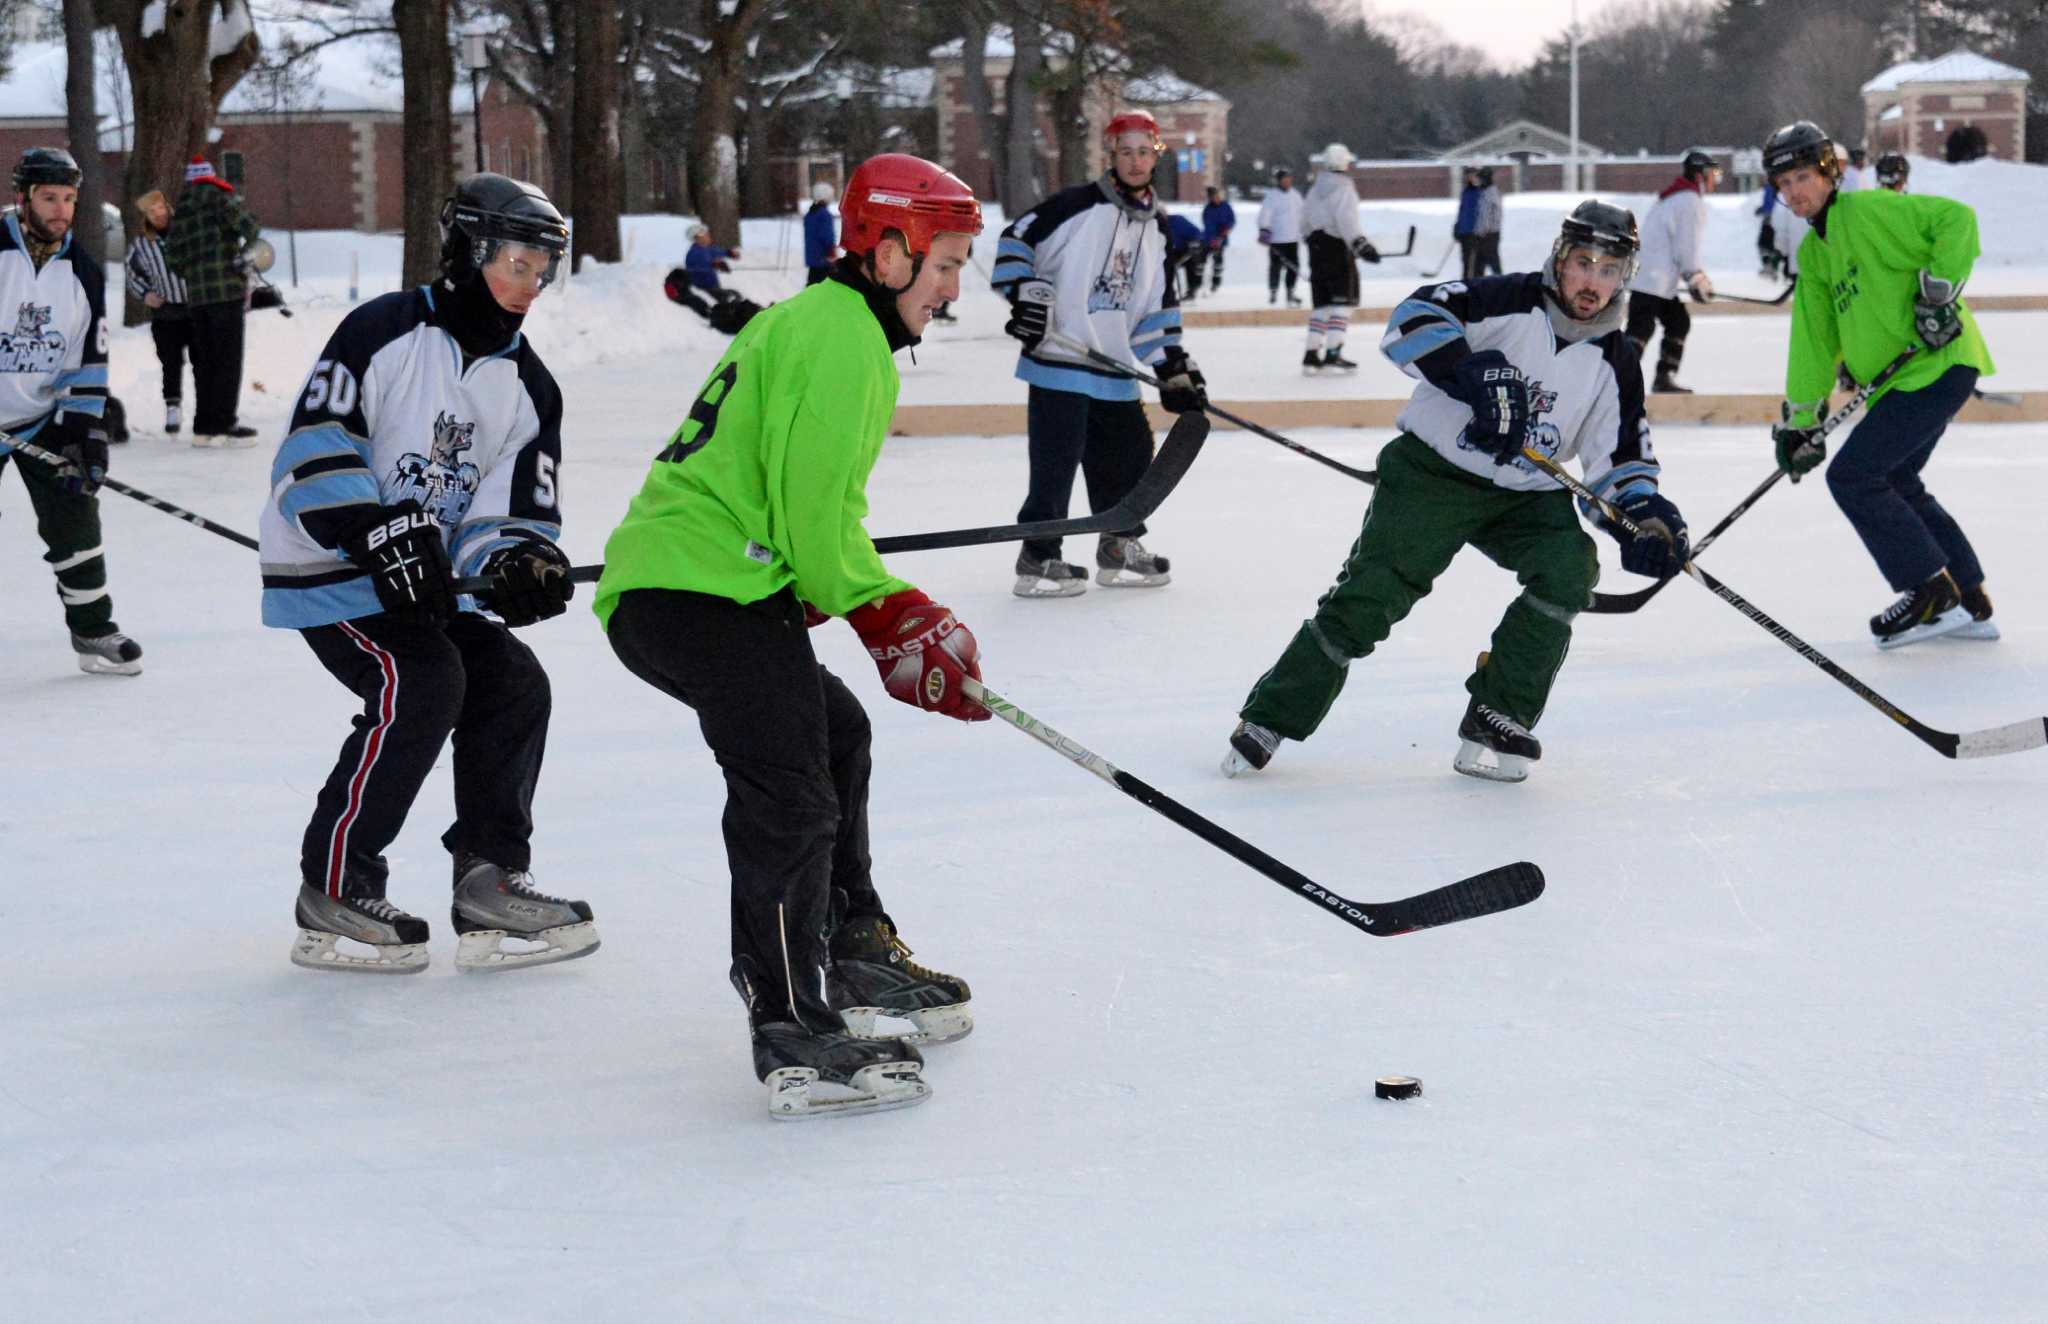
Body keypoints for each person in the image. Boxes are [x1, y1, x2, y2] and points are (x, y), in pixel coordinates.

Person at [594, 153, 987, 1119]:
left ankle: (850, 951)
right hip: (693, 591)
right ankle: (790, 1022)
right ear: (887, 253)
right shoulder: (846, 337)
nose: (952, 288)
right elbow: (819, 523)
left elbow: (797, 506)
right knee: (789, 791)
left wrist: (831, 589)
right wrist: (887, 608)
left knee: (835, 732)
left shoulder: (818, 322)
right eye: (943, 263)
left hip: (706, 584)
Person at [1223, 201, 1686, 785]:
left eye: (1609, 270)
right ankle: (1272, 716)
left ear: (1627, 278)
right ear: (1560, 259)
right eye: (1583, 263)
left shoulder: (1617, 359)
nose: (1593, 281)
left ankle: (1499, 713)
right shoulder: (1505, 298)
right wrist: (1473, 371)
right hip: (1433, 475)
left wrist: (1645, 521)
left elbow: (1621, 461)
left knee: (1569, 568)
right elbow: (1410, 320)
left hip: (1525, 495)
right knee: (1374, 594)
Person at [262, 173, 593, 975]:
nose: (529, 287)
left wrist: (515, 563)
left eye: (542, 271)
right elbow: (314, 445)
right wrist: (374, 530)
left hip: (423, 586)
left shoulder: (530, 386)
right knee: (423, 683)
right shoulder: (381, 330)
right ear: (467, 252)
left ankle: (489, 875)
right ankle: (336, 883)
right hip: (331, 570)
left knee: (513, 682)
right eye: (517, 264)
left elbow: (505, 512)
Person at [1762, 120, 1999, 648]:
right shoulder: (1815, 255)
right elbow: (1813, 345)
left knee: (1855, 476)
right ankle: (1969, 598)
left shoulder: (1869, 211)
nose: (1794, 192)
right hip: (1907, 382)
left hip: (1938, 366)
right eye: (1783, 184)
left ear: (1828, 172)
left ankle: (1930, 589)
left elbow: (1956, 220)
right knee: (1895, 480)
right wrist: (1802, 423)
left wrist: (1937, 294)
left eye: (1803, 176)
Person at [990, 107, 1206, 598]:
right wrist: (1024, 293)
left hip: (1114, 368)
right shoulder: (1074, 205)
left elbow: (1155, 305)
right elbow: (1015, 243)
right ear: (1110, 155)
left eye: (1143, 152)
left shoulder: (1159, 226)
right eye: (1125, 151)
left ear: (1156, 156)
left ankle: (1118, 545)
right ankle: (1039, 556)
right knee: (1055, 467)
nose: (1134, 161)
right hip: (1059, 363)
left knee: (1130, 457)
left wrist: (1172, 364)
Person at [0, 147, 140, 676]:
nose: (61, 210)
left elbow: (87, 361)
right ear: (22, 198)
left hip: (39, 417)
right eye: (48, 197)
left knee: (75, 517)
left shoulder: (82, 271)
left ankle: (93, 630)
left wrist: (87, 434)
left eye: (69, 199)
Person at [161, 155, 259, 448]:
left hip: (198, 299)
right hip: (226, 291)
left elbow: (172, 257)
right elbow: (249, 227)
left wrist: (191, 271)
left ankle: (203, 427)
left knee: (204, 362)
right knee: (228, 360)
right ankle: (225, 423)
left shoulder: (182, 211)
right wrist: (241, 249)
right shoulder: (221, 198)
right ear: (211, 176)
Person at [1626, 148, 1719, 394]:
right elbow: (1686, 246)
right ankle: (1615, 381)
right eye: (1712, 174)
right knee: (1642, 329)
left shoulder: (1676, 197)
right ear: (1700, 175)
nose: (1714, 180)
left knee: (1677, 322)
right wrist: (1695, 276)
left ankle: (1661, 377)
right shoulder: (1689, 201)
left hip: (1654, 278)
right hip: (1653, 279)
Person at [1301, 142, 1379, 374]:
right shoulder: (1344, 188)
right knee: (1342, 304)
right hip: (1337, 250)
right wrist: (1361, 244)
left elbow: (1303, 222)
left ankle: (1311, 354)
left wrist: (1313, 242)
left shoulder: (1315, 189)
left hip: (1317, 249)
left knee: (1322, 305)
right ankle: (1333, 354)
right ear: (1345, 163)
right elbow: (1347, 221)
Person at [125, 188, 191, 437]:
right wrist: (146, 294)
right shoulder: (143, 244)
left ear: (167, 207)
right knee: (170, 363)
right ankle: (173, 407)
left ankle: (208, 412)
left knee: (204, 361)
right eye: (151, 212)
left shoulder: (185, 231)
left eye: (160, 209)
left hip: (195, 307)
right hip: (167, 313)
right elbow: (131, 273)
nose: (157, 215)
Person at [1257, 166, 1303, 306]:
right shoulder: (1272, 196)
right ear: (1279, 181)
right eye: (1284, 180)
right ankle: (1273, 291)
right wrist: (1264, 229)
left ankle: (1290, 292)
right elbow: (1265, 214)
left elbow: (1302, 213)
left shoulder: (1295, 195)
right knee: (1275, 267)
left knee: (1294, 267)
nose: (1287, 182)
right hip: (1277, 239)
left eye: (1289, 179)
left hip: (1293, 238)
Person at [1455, 166, 1504, 280]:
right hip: (1477, 234)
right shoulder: (1477, 192)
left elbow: (1492, 215)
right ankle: (1476, 287)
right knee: (1478, 264)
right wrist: (1458, 227)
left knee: (1493, 262)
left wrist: (1484, 230)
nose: (1477, 180)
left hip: (1488, 234)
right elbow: (1467, 212)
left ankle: (1502, 285)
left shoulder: (1490, 192)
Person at [683, 224, 740, 293]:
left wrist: (729, 253)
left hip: (713, 286)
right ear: (697, 239)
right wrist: (714, 264)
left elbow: (718, 252)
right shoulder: (693, 253)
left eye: (708, 234)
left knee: (735, 294)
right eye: (706, 235)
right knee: (729, 298)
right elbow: (699, 266)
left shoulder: (708, 249)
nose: (709, 237)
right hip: (702, 289)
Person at [1200, 184, 1235, 294]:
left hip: (1222, 239)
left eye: (1216, 195)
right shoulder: (1207, 210)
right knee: (1201, 261)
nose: (1215, 198)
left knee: (1218, 262)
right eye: (1212, 196)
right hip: (1209, 239)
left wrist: (1226, 230)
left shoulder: (1226, 206)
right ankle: (1198, 283)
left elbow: (1232, 220)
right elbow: (1208, 225)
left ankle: (1215, 284)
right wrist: (1213, 239)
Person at [802, 180, 838, 287]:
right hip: (823, 260)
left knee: (812, 286)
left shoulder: (810, 214)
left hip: (813, 260)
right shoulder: (824, 215)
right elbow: (827, 237)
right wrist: (831, 252)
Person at [1164, 210, 1205, 302]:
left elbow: (1196, 232)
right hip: (1168, 252)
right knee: (1167, 267)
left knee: (1191, 263)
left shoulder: (1178, 220)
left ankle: (1191, 291)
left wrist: (1195, 242)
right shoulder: (1155, 225)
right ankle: (1167, 292)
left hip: (1184, 249)